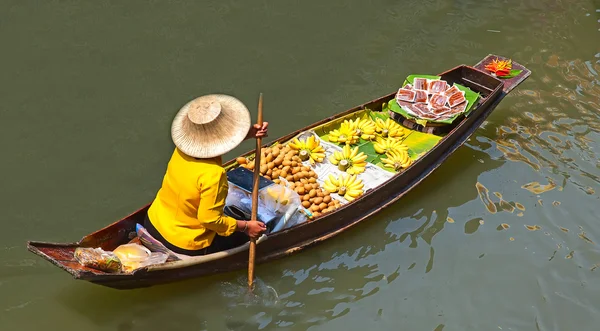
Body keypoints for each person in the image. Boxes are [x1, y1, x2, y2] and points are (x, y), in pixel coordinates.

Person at [143, 94, 269, 256]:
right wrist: (246, 227)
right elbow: (209, 220)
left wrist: (249, 134)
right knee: (260, 229)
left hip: (153, 220)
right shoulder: (213, 174)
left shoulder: (181, 151)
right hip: (183, 242)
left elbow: (210, 143)